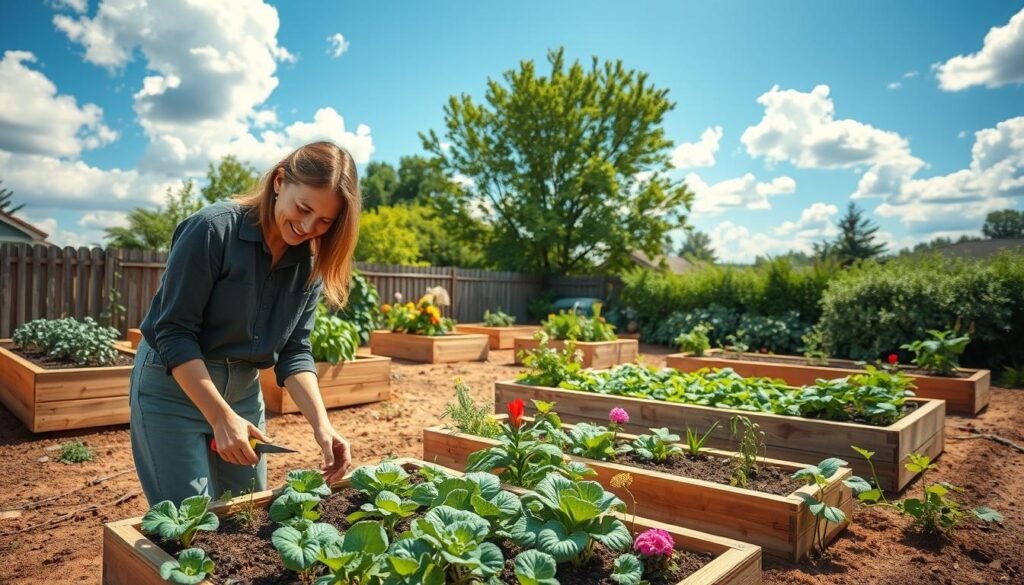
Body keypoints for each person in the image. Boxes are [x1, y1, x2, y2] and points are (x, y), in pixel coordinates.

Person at [130, 141, 360, 505]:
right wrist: (220, 417)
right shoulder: (211, 230)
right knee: (192, 521)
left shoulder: (310, 264)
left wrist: (322, 425)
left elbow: (294, 350)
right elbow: (173, 331)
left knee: (246, 515)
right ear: (280, 181)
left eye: (325, 222)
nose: (307, 227)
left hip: (243, 394)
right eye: (303, 209)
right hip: (173, 387)